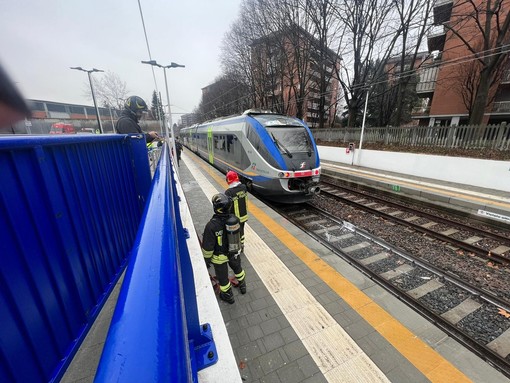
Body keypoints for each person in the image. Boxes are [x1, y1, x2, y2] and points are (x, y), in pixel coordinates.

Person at [202, 193, 246, 304]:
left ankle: (228, 296)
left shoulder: (211, 226)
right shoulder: (235, 220)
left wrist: (206, 261)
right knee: (238, 269)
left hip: (219, 258)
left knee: (223, 278)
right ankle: (243, 285)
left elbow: (208, 248)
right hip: (234, 252)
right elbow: (240, 235)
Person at [224, 170, 248, 248]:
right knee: (242, 230)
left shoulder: (229, 192)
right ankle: (242, 244)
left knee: (235, 232)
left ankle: (236, 246)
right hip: (244, 215)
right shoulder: (243, 187)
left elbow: (228, 205)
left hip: (234, 217)